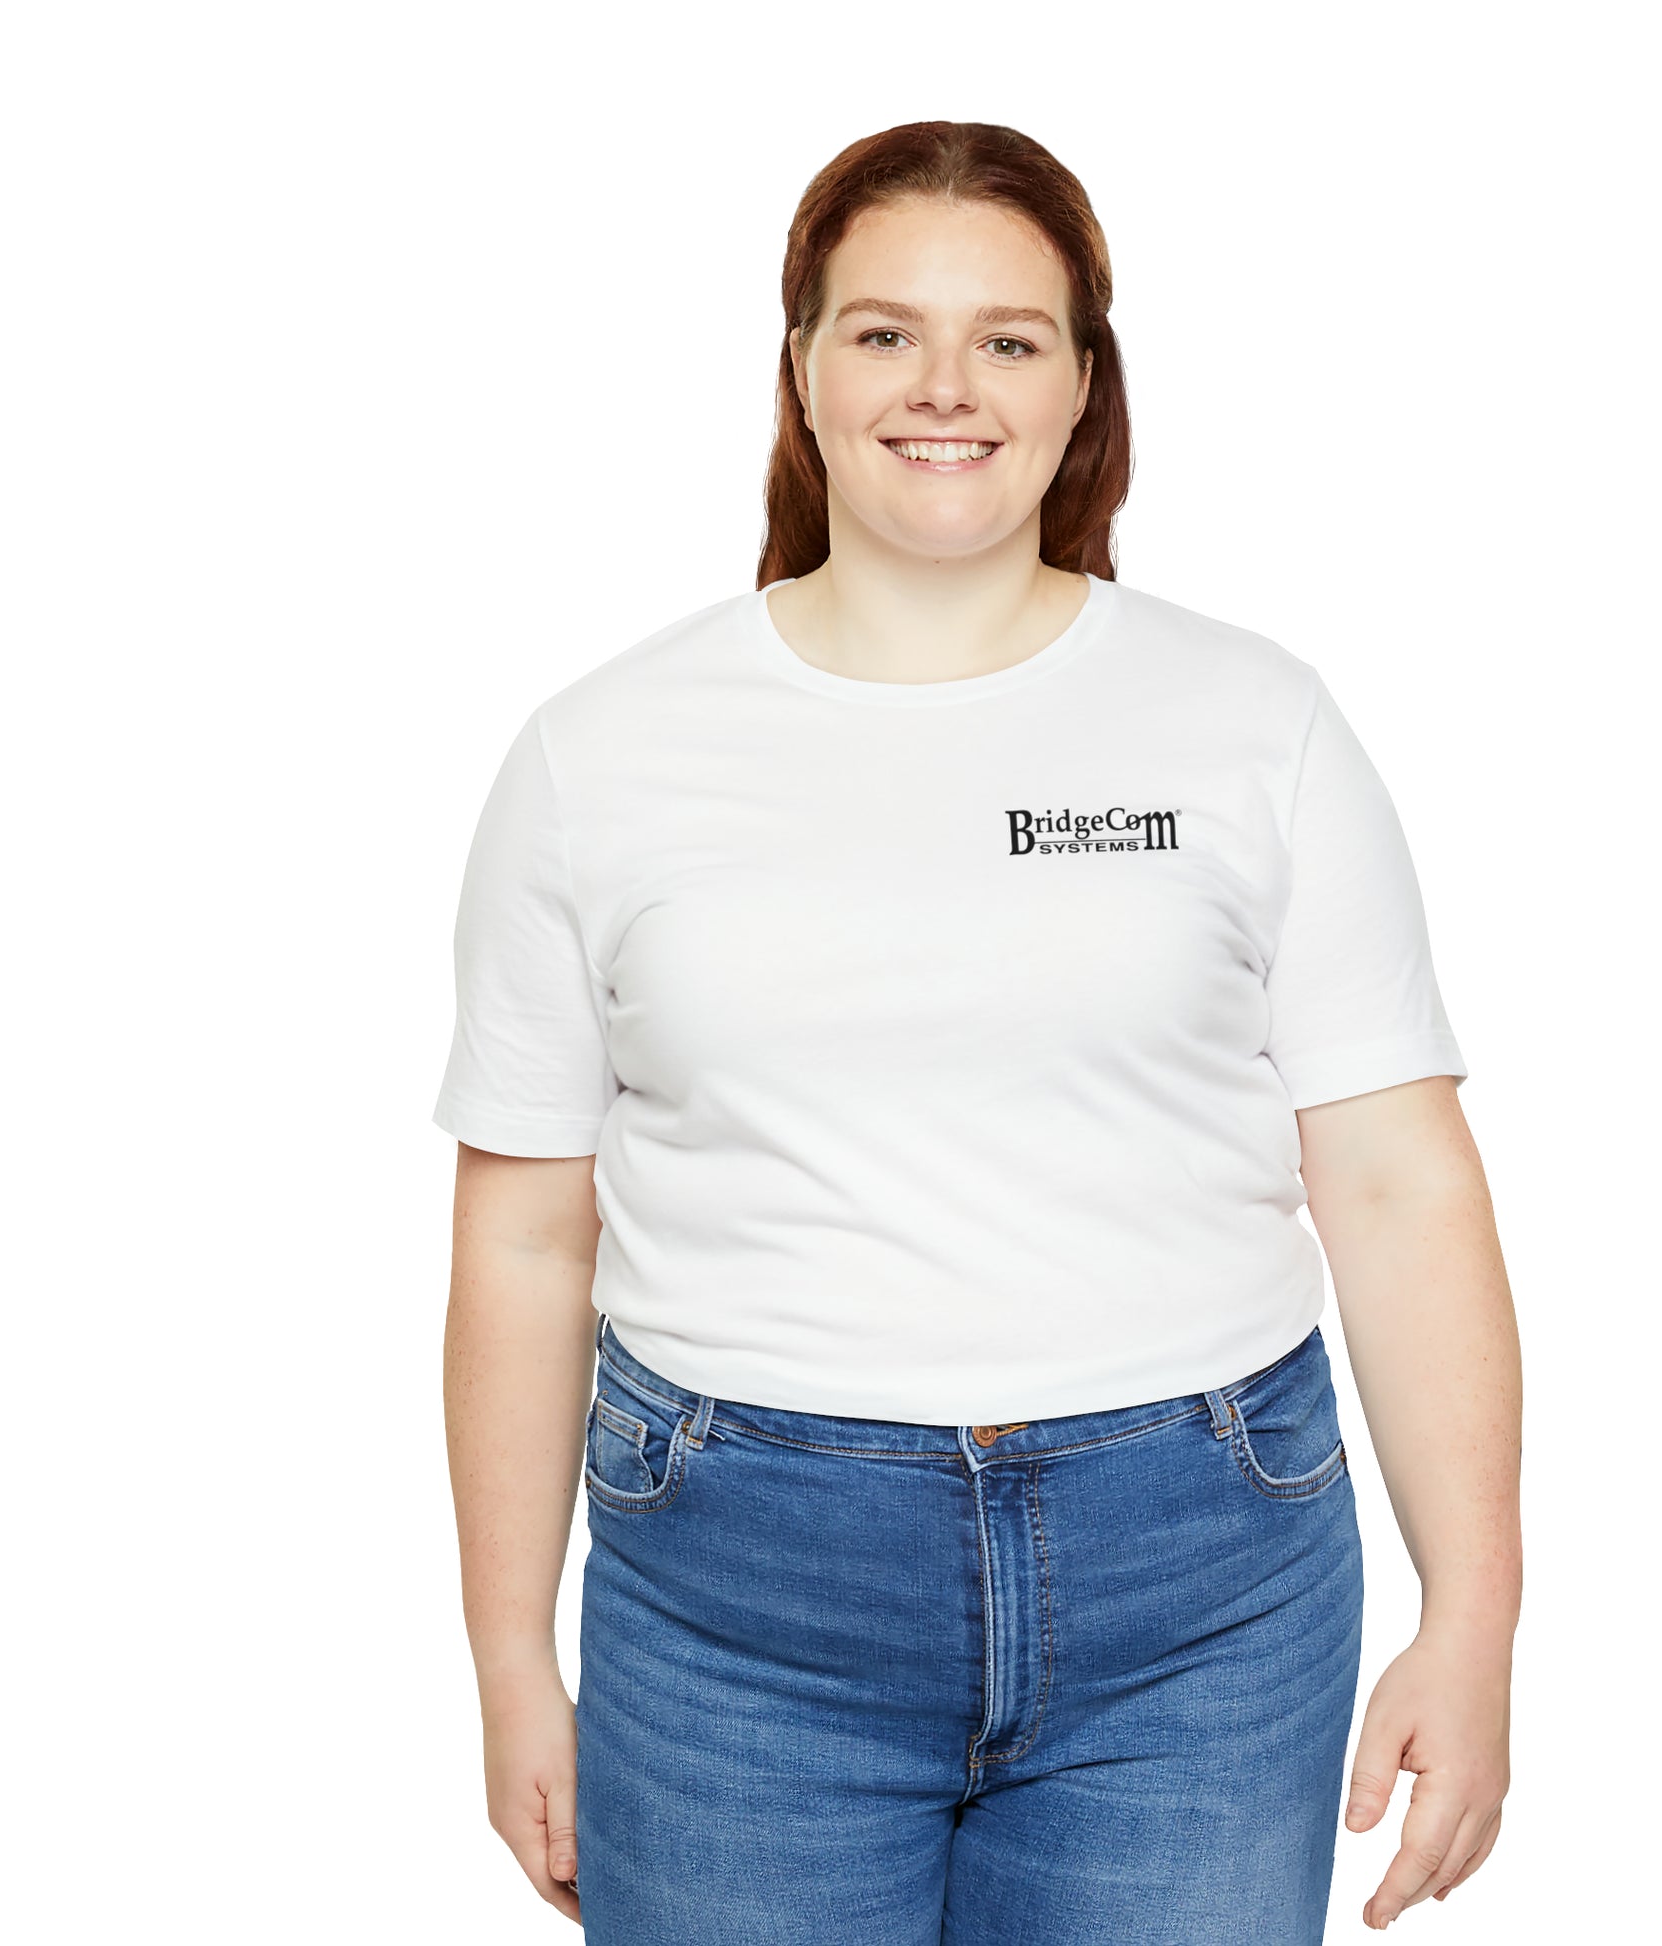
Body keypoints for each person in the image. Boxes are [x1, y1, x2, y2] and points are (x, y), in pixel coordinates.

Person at [434, 120, 1521, 1944]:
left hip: (1201, 1592)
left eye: (1009, 338)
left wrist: (1473, 1612)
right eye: (883, 332)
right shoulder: (599, 753)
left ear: (1082, 382)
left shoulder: (1253, 723)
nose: (945, 387)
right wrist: (504, 1658)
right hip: (736, 1603)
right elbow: (525, 1233)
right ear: (800, 367)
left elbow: (1402, 1186)